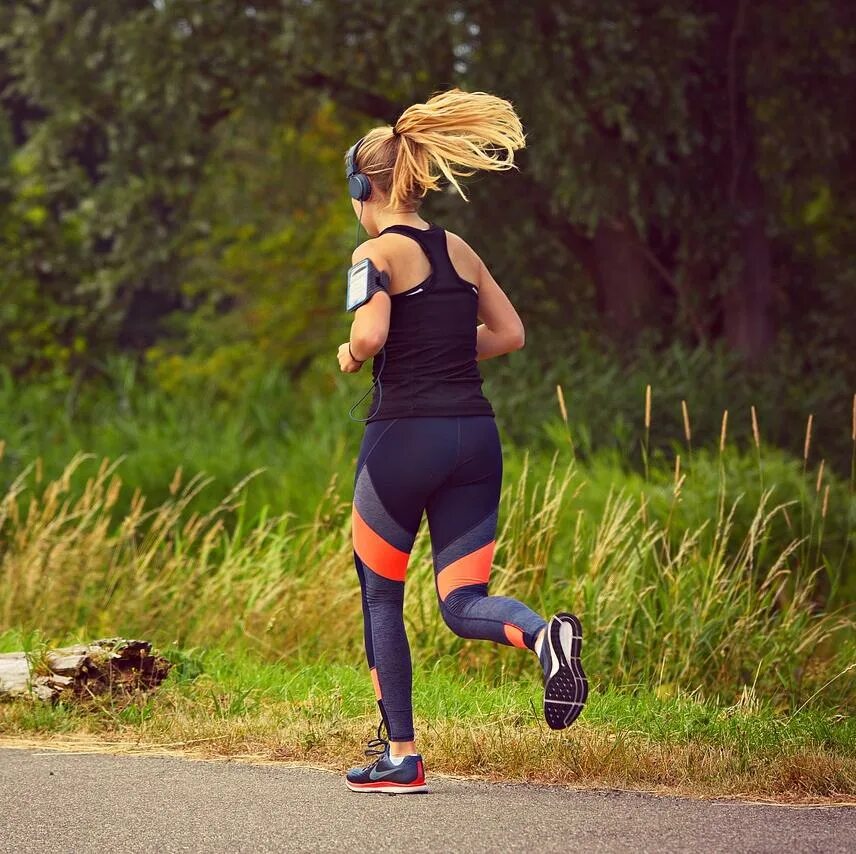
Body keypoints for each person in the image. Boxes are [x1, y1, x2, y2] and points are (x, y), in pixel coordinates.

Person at [336, 89, 588, 794]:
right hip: (474, 439)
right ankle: (543, 636)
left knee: (381, 596)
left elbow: (372, 333)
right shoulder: (460, 249)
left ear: (366, 185)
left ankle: (403, 756)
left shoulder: (373, 252)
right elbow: (510, 334)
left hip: (402, 443)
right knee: (461, 601)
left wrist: (355, 354)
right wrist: (443, 348)